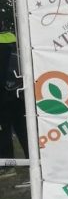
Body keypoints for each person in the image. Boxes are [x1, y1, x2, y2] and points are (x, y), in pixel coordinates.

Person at [0, 27, 28, 162]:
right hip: (20, 93)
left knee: (4, 132)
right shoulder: (13, 38)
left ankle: (8, 165)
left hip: (3, 96)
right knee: (24, 129)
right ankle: (35, 159)